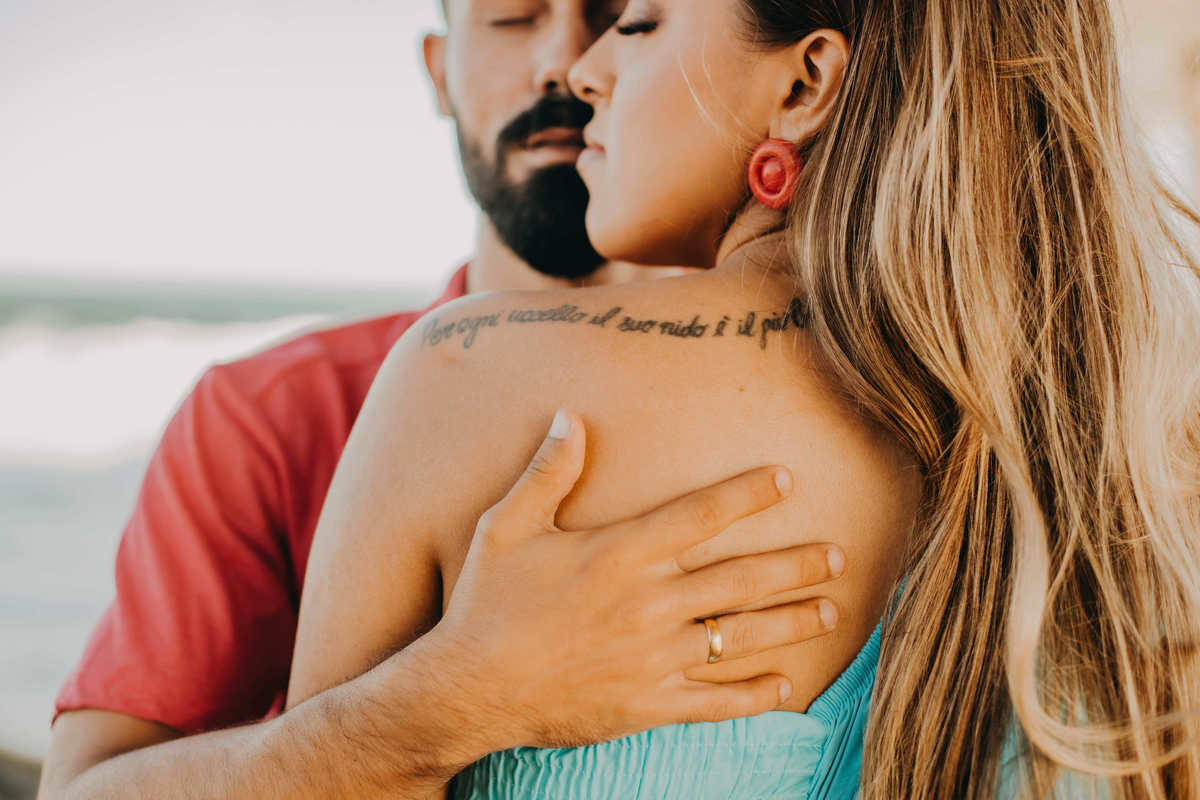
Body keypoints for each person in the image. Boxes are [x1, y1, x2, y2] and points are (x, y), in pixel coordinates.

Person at [288, 0, 1200, 797]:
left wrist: (436, 710)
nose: (587, 69)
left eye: (641, 23)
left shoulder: (468, 378)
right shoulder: (1148, 454)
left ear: (804, 85)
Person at [37, 2, 850, 797]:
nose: (567, 64)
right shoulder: (270, 413)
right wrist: (443, 704)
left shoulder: (864, 391)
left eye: (621, 15)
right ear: (438, 72)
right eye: (512, 18)